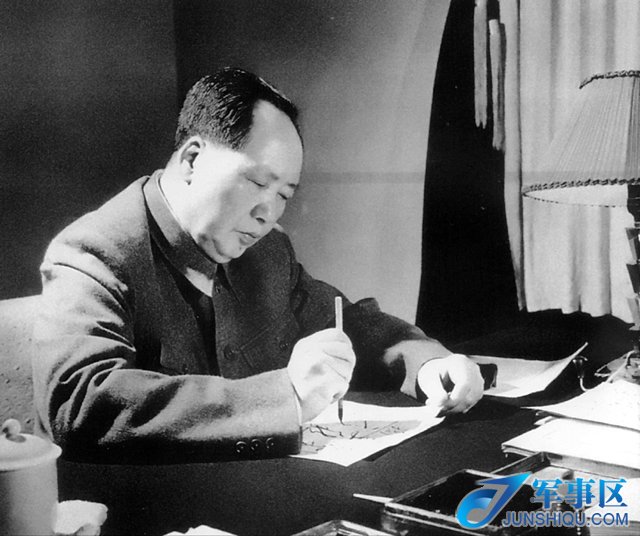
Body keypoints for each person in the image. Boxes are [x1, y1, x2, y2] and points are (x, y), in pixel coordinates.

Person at [32, 67, 483, 463]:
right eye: (256, 182)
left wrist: (426, 363)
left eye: (284, 194)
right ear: (192, 159)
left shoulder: (266, 250)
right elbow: (79, 403)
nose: (268, 213)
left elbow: (345, 323)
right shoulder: (94, 251)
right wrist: (286, 396)